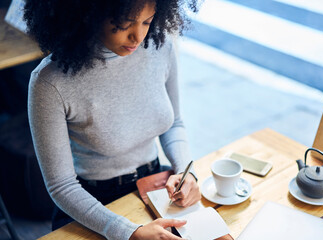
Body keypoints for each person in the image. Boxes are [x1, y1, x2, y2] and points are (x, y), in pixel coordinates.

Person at [23, 0, 201, 239]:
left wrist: (186, 171)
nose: (137, 37)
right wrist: (128, 232)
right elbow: (61, 185)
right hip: (94, 203)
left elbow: (174, 124)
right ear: (89, 16)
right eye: (124, 24)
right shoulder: (50, 82)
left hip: (156, 185)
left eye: (147, 21)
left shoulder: (160, 47)